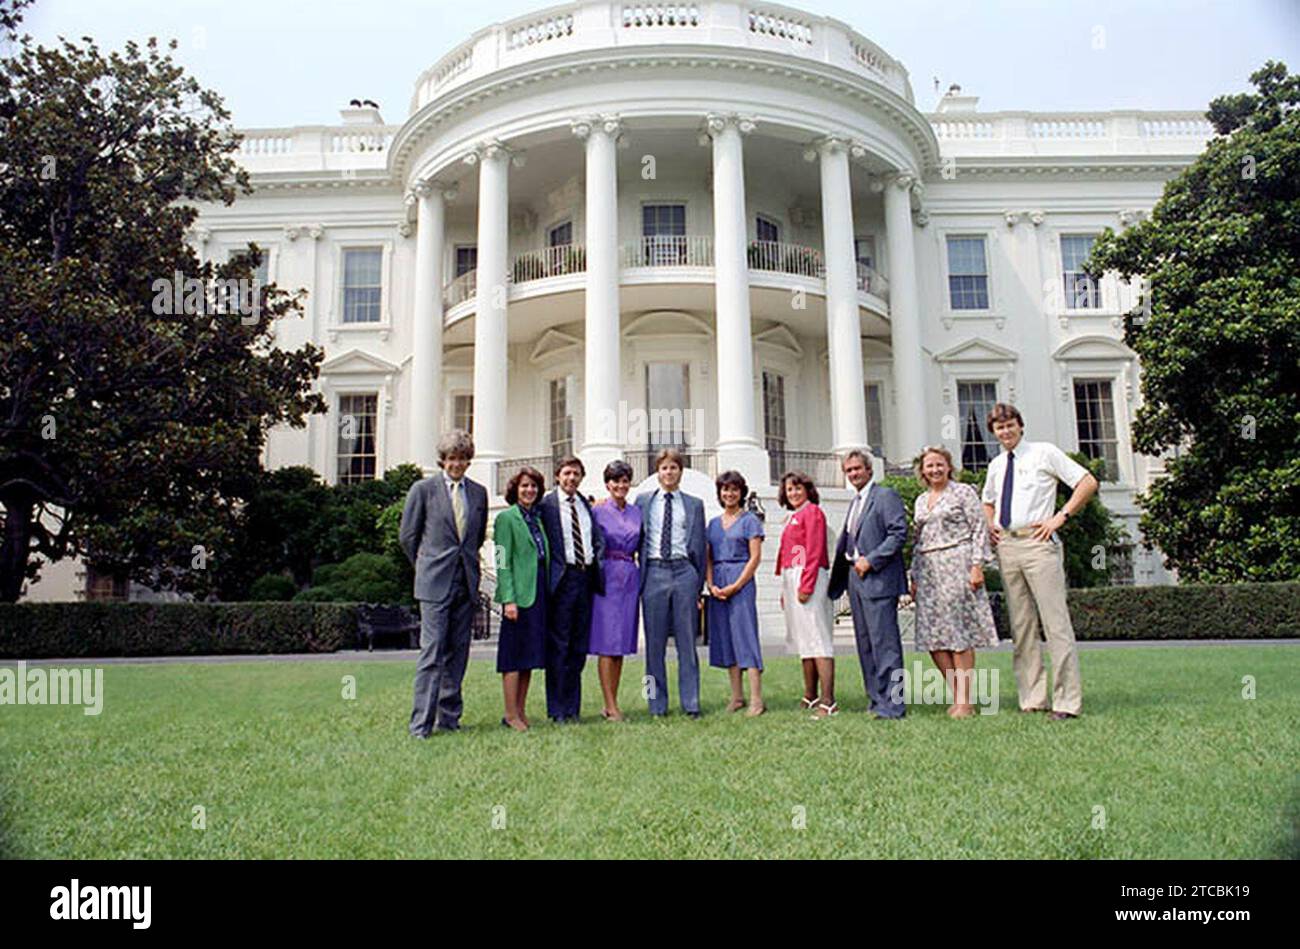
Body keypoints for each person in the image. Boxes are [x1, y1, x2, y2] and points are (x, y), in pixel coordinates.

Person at [980, 403, 1098, 720]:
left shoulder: (1044, 453)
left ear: (1020, 425)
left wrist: (1060, 517)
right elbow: (988, 501)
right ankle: (1032, 698)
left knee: (1055, 624)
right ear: (993, 432)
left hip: (1038, 543)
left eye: (1009, 425)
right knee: (1021, 627)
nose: (1005, 431)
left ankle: (1066, 702)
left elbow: (1087, 482)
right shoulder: (996, 465)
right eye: (999, 427)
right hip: (1008, 545)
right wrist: (991, 523)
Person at [400, 429, 488, 737]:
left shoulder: (478, 493)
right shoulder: (423, 490)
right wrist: (426, 566)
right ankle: (421, 724)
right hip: (434, 584)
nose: (457, 464)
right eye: (452, 458)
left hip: (465, 581)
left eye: (463, 459)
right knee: (432, 653)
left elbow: (474, 540)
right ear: (442, 460)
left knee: (458, 653)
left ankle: (449, 718)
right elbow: (408, 537)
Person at [908, 446, 999, 718]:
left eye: (939, 464)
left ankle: (964, 700)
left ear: (948, 466)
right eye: (929, 466)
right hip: (928, 570)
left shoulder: (963, 492)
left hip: (957, 563)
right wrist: (913, 576)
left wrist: (977, 565)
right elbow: (917, 540)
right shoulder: (921, 500)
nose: (934, 469)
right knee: (933, 637)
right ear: (922, 471)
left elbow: (979, 528)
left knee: (958, 633)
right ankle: (958, 694)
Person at [828, 449, 909, 720]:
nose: (853, 474)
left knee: (885, 645)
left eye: (857, 469)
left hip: (878, 579)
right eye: (849, 470)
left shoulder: (884, 496)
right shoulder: (855, 502)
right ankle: (876, 700)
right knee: (865, 645)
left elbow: (898, 533)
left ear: (869, 470)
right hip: (855, 579)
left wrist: (871, 561)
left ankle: (894, 705)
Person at [635, 447, 707, 718]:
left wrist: (698, 586)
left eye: (674, 467)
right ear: (657, 472)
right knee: (653, 646)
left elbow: (700, 546)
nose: (669, 472)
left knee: (687, 643)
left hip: (683, 572)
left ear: (681, 471)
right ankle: (654, 703)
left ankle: (691, 703)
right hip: (653, 572)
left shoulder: (694, 504)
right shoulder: (643, 501)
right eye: (664, 467)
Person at [538, 456, 605, 724]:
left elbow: (595, 539)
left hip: (585, 578)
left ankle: (573, 708)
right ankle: (557, 709)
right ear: (557, 476)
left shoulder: (585, 506)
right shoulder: (547, 505)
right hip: (561, 580)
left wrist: (596, 560)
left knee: (578, 646)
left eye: (576, 474)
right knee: (559, 646)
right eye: (567, 473)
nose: (571, 478)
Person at [775, 470, 836, 718]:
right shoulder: (792, 517)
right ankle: (810, 694)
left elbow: (813, 550)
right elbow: (789, 554)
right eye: (790, 489)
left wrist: (806, 584)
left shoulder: (813, 513)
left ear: (807, 489)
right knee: (804, 639)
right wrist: (785, 588)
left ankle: (828, 699)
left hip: (807, 575)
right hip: (793, 576)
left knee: (818, 637)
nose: (794, 493)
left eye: (798, 488)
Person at [493, 467, 550, 732]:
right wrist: (508, 599)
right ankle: (509, 713)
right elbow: (502, 560)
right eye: (525, 486)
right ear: (515, 489)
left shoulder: (536, 519)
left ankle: (521, 710)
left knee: (529, 657)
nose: (530, 491)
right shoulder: (507, 519)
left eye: (534, 487)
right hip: (517, 595)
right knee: (513, 657)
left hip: (538, 593)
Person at [705, 470, 765, 717]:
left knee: (745, 635)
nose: (729, 494)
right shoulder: (712, 523)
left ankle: (756, 699)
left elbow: (755, 557)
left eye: (734, 489)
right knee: (726, 638)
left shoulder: (750, 520)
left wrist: (737, 585)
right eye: (725, 489)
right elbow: (708, 557)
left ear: (741, 492)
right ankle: (737, 696)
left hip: (741, 581)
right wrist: (710, 584)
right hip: (718, 582)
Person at [588, 460, 642, 722]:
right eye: (615, 481)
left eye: (624, 480)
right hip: (606, 575)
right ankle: (610, 705)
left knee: (620, 643)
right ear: (607, 484)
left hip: (630, 575)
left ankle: (612, 700)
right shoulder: (597, 511)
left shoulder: (637, 512)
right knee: (606, 643)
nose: (620, 485)